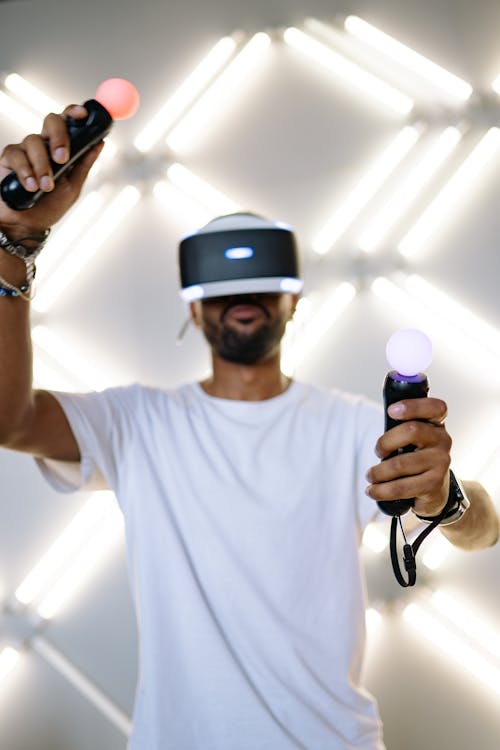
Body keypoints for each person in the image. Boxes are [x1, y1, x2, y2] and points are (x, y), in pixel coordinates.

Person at [0, 105, 498, 750]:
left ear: (294, 298)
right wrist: (16, 243)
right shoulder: (137, 423)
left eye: (265, 283)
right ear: (191, 305)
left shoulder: (352, 429)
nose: (246, 297)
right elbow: (10, 420)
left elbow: (486, 528)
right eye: (223, 286)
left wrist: (444, 499)